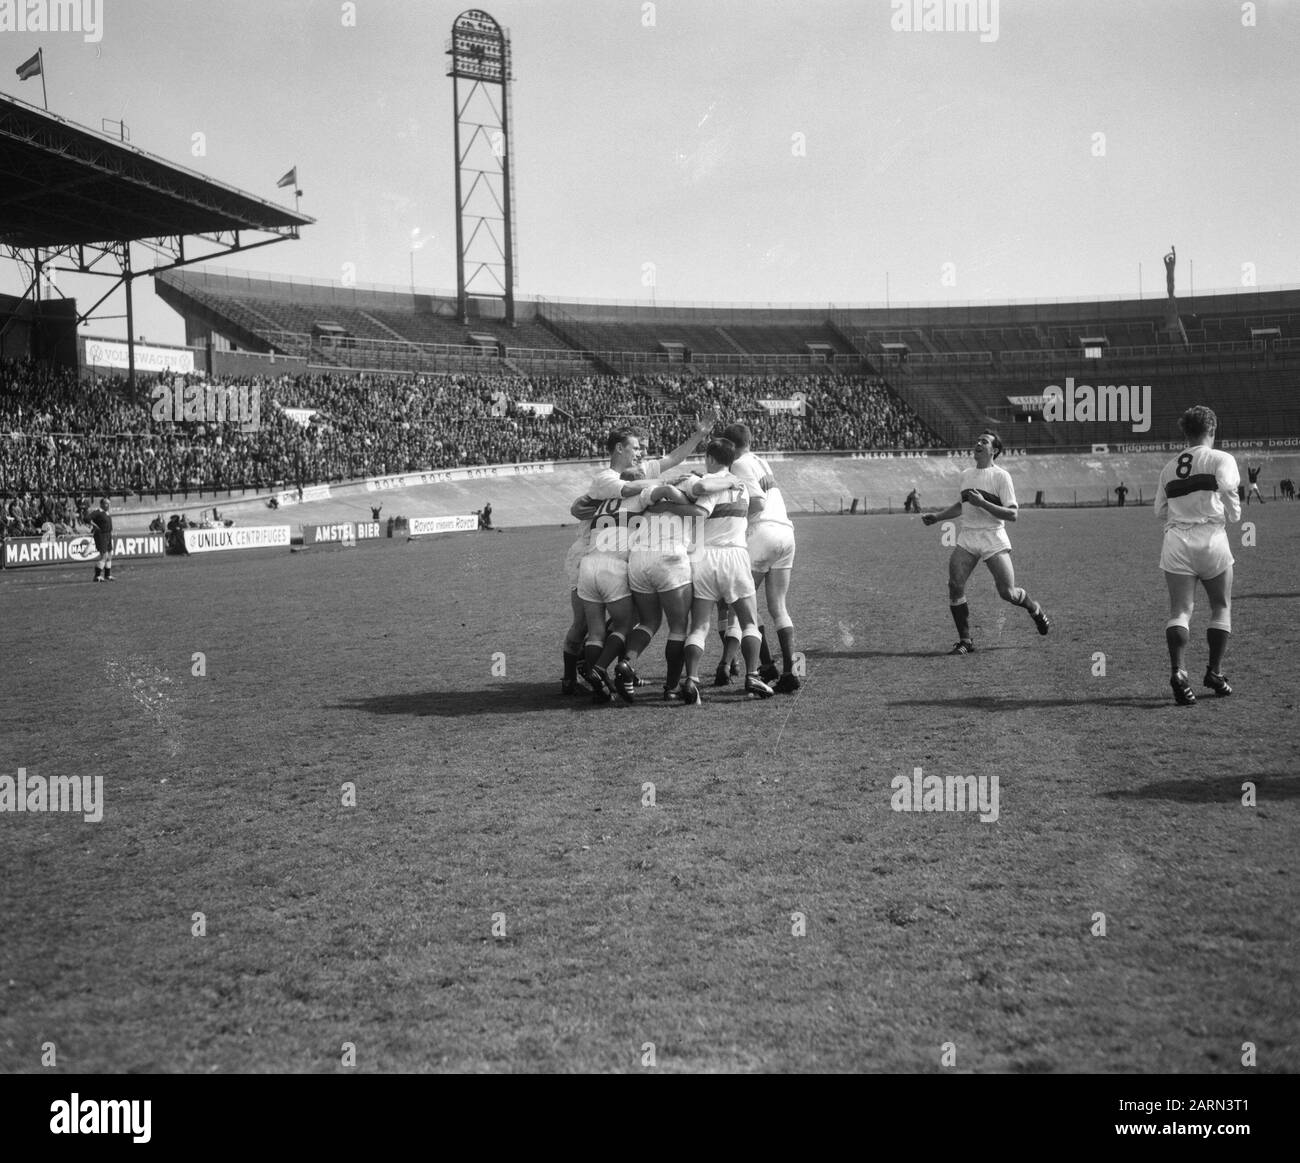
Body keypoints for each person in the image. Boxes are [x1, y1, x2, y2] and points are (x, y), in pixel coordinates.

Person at [921, 431, 1050, 653]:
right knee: (954, 585)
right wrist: (938, 517)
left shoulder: (1002, 476)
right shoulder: (965, 474)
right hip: (968, 536)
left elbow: (1012, 514)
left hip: (993, 536)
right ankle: (965, 641)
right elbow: (963, 505)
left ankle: (1033, 608)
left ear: (995, 450)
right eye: (978, 440)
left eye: (985, 442)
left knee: (1008, 593)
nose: (978, 443)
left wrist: (983, 503)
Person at [677, 437, 775, 702]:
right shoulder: (741, 486)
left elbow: (699, 512)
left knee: (699, 626)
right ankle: (752, 675)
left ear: (710, 459)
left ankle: (691, 680)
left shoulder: (713, 486)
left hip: (705, 557)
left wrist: (672, 506)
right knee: (748, 622)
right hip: (735, 555)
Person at [1155, 406, 1240, 705]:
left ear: (1186, 433)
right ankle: (1214, 673)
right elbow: (1229, 486)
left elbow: (1159, 511)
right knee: (1221, 606)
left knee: (1180, 611)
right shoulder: (1221, 458)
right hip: (1212, 539)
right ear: (1212, 430)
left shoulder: (1168, 467)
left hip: (1177, 541)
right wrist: (1233, 512)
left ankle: (1179, 672)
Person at [90, 497, 114, 582]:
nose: (108, 505)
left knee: (109, 556)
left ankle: (107, 575)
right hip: (101, 536)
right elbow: (87, 518)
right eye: (106, 503)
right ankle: (97, 576)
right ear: (102, 504)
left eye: (109, 503)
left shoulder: (106, 513)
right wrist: (94, 525)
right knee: (104, 556)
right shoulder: (98, 512)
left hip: (108, 535)